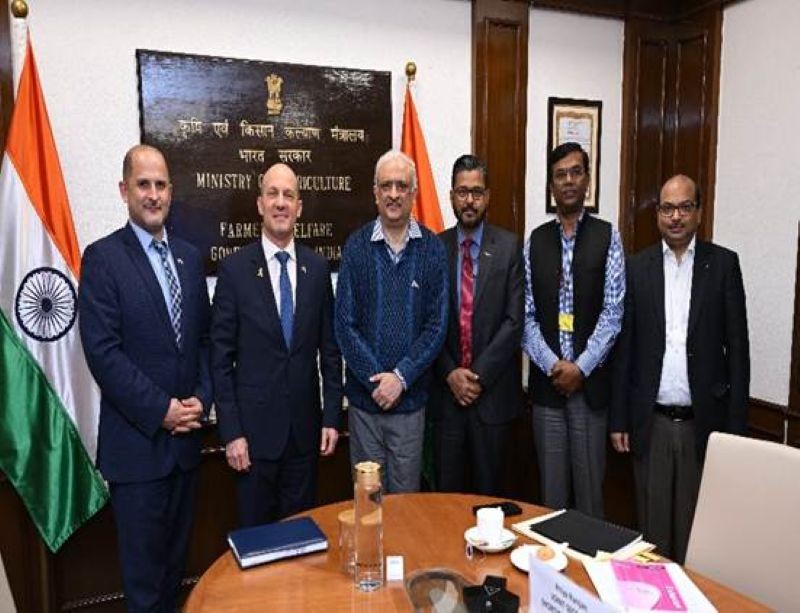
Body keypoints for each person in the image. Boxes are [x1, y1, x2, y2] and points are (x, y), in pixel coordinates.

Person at [79, 144, 212, 612]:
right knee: (144, 591)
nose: (153, 194)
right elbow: (103, 353)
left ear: (171, 191)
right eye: (143, 184)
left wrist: (202, 397)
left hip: (186, 452)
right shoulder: (102, 259)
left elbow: (204, 341)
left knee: (175, 581)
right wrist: (162, 410)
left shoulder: (189, 259)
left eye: (160, 185)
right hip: (137, 455)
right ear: (124, 190)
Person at [610, 174, 749, 562]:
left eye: (685, 207)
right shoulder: (637, 267)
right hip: (650, 423)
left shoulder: (723, 265)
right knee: (652, 536)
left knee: (696, 537)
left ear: (699, 213)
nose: (676, 217)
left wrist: (736, 432)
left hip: (703, 425)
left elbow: (738, 352)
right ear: (657, 213)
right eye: (668, 208)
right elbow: (625, 349)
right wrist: (619, 418)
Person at [211, 163, 342, 527]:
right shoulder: (234, 271)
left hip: (305, 438)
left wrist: (332, 417)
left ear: (299, 207)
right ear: (260, 204)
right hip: (252, 443)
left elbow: (330, 350)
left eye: (288, 195)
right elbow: (220, 360)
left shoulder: (317, 269)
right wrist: (232, 433)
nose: (280, 203)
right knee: (257, 545)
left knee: (301, 543)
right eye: (273, 194)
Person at [335, 150, 448, 493]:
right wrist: (377, 382)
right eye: (386, 186)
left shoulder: (433, 249)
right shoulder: (355, 247)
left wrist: (400, 378)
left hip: (410, 406)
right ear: (375, 192)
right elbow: (344, 325)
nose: (394, 194)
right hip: (364, 406)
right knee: (368, 503)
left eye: (402, 186)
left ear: (414, 192)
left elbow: (436, 325)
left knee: (406, 505)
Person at [522, 142, 625, 518]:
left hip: (589, 391)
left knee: (590, 500)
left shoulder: (607, 236)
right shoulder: (535, 241)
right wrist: (555, 366)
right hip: (547, 392)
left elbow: (613, 313)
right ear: (551, 185)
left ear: (587, 180)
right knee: (550, 503)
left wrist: (580, 368)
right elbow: (526, 316)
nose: (568, 181)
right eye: (560, 174)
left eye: (575, 172)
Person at [430, 154, 524, 495]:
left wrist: (477, 377)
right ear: (451, 196)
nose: (469, 200)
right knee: (446, 503)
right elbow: (428, 323)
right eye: (462, 192)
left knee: (492, 502)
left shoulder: (510, 247)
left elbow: (514, 321)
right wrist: (450, 374)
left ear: (488, 196)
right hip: (447, 400)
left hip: (494, 400)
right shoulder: (434, 248)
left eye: (476, 192)